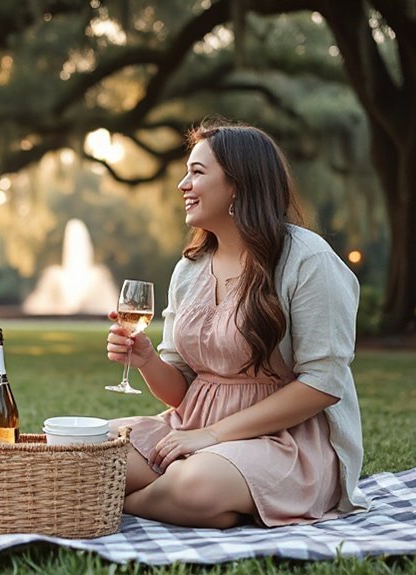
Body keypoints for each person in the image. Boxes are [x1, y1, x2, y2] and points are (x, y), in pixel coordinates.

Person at [106, 119, 368, 529]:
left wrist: (212, 438)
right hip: (191, 428)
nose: (182, 185)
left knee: (194, 484)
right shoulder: (189, 269)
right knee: (88, 449)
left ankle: (142, 499)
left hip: (286, 440)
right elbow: (180, 390)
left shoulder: (307, 260)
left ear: (238, 185)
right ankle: (192, 502)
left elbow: (324, 383)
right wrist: (146, 359)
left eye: (197, 172)